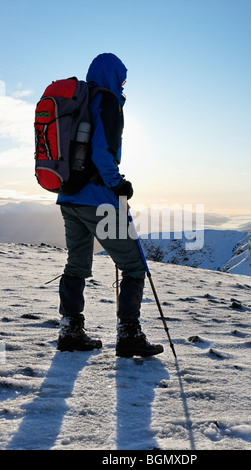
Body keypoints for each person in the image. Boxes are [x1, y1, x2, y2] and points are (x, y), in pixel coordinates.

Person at [56, 53, 163, 358]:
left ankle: (71, 331)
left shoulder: (77, 103)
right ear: (114, 76)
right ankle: (129, 335)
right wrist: (118, 185)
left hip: (68, 197)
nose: (124, 84)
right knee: (132, 266)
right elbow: (103, 152)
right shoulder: (107, 103)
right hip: (98, 199)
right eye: (123, 78)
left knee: (76, 264)